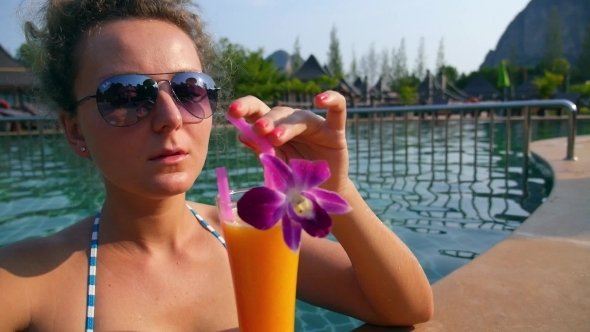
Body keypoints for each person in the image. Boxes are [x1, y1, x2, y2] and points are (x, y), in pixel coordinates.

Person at [0, 1, 433, 331]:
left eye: (190, 89)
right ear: (75, 131)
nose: (170, 116)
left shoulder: (249, 236)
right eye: (126, 95)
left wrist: (335, 188)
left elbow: (406, 306)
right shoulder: (29, 277)